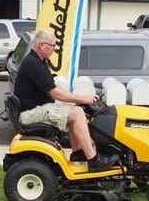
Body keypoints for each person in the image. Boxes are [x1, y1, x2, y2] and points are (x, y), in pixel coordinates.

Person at [14, 29, 117, 171]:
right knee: (77, 113)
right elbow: (55, 94)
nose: (55, 49)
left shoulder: (40, 61)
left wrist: (75, 100)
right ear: (42, 46)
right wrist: (84, 99)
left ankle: (78, 154)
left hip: (36, 109)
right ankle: (94, 160)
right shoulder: (33, 64)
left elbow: (53, 86)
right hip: (30, 113)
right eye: (53, 45)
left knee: (75, 110)